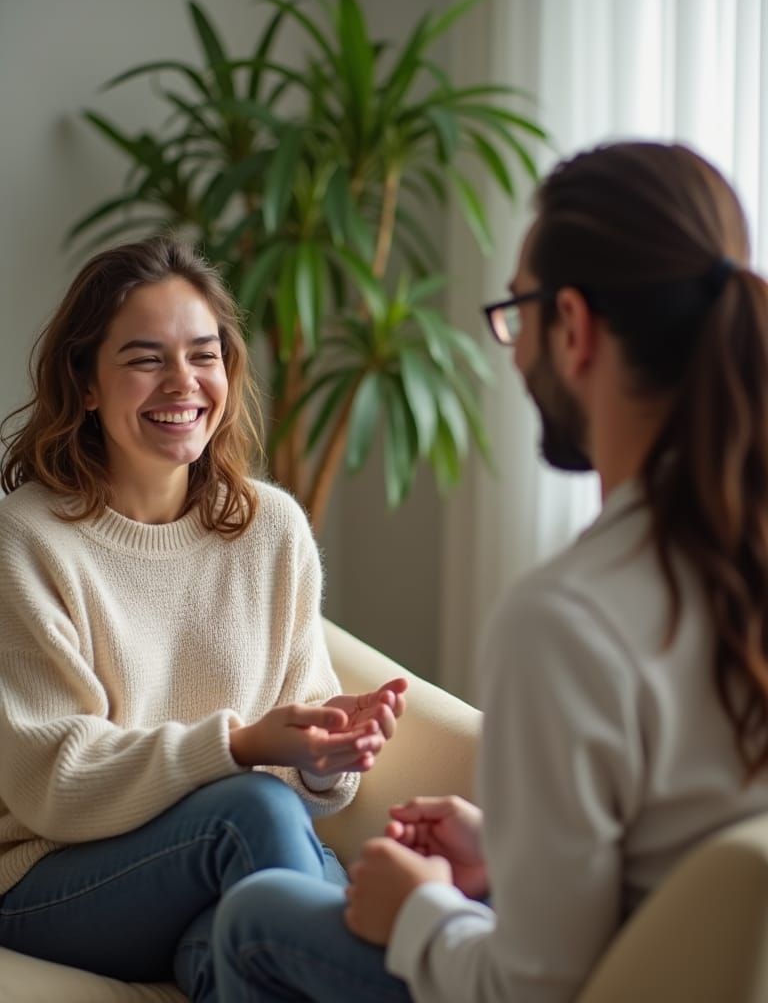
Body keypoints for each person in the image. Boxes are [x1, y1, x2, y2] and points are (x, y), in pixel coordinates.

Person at [212, 139, 768, 1002]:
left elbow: (532, 991)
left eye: (518, 312)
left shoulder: (570, 619)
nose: (512, 350)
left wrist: (423, 911)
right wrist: (513, 857)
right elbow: (688, 885)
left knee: (257, 916)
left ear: (574, 327)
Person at [0, 237, 407, 1001]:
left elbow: (299, 777)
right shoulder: (26, 539)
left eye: (204, 353)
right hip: (46, 880)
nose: (183, 383)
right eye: (145, 359)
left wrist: (324, 756)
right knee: (257, 821)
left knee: (234, 942)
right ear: (85, 383)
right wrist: (244, 744)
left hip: (213, 872)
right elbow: (54, 781)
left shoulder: (272, 530)